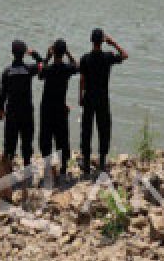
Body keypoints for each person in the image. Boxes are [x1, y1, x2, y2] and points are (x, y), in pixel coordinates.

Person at [79, 29, 128, 173]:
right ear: (102, 41)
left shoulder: (85, 58)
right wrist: (113, 43)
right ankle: (101, 162)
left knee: (86, 130)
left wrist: (80, 96)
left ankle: (86, 164)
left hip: (88, 97)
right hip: (102, 98)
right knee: (104, 128)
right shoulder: (108, 56)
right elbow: (125, 55)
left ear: (91, 41)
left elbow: (82, 80)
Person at [0, 40, 43, 168]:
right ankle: (27, 165)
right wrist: (34, 53)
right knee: (27, 140)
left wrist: (1, 109)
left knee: (10, 141)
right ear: (24, 54)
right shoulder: (29, 69)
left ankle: (8, 166)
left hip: (12, 111)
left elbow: (3, 93)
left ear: (12, 53)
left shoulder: (7, 72)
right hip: (26, 111)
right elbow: (42, 64)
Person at [39, 39, 79, 176]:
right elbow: (77, 65)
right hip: (60, 107)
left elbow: (40, 74)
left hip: (47, 108)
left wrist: (47, 57)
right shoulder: (67, 69)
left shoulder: (48, 69)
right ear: (63, 53)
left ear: (53, 51)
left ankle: (47, 167)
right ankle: (63, 167)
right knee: (62, 137)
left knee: (46, 137)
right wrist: (68, 52)